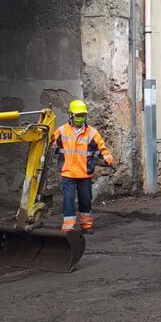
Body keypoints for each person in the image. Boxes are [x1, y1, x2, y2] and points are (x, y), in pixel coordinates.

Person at [54, 99, 115, 233]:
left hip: (84, 172)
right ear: (71, 115)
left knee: (85, 199)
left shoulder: (92, 133)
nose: (80, 118)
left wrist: (109, 160)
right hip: (68, 172)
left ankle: (86, 225)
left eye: (82, 115)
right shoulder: (62, 131)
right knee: (68, 199)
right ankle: (68, 227)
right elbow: (50, 144)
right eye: (78, 115)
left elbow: (102, 148)